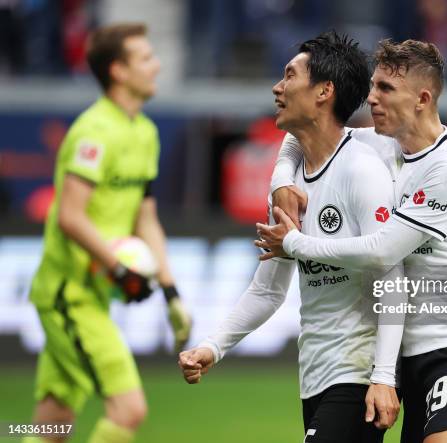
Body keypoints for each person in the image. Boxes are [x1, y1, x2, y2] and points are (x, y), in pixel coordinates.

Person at [258, 38, 447, 443]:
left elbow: (383, 250)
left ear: (422, 98)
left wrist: (295, 243)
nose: (371, 98)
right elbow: (301, 133)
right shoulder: (381, 142)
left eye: (386, 89)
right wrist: (282, 181)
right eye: (373, 86)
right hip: (407, 348)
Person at [178, 31, 403, 442]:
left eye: (289, 75)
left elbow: (390, 278)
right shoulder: (288, 184)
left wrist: (385, 377)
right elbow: (268, 291)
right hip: (313, 377)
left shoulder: (361, 171)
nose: (277, 87)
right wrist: (213, 346)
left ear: (324, 91)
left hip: (358, 375)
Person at [25, 23, 191, 443]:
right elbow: (71, 216)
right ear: (118, 70)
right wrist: (120, 269)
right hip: (70, 294)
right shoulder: (93, 132)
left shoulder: (145, 133)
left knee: (52, 425)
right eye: (146, 59)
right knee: (129, 410)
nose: (156, 66)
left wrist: (170, 291)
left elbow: (146, 217)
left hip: (95, 295)